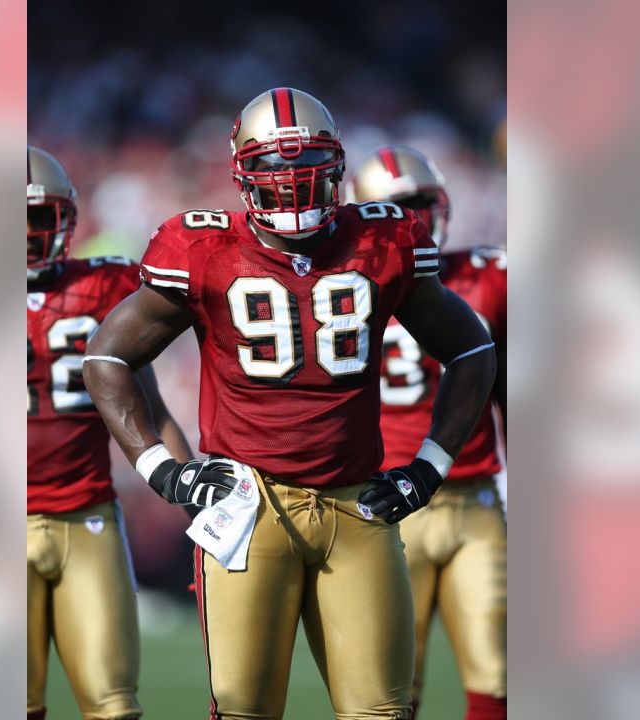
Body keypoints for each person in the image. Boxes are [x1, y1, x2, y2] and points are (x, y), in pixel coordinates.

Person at [82, 88, 496, 720]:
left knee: (383, 711)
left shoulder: (384, 241)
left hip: (357, 504)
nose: (295, 190)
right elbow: (108, 356)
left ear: (336, 170)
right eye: (278, 175)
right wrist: (160, 468)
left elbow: (471, 349)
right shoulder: (202, 248)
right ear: (245, 176)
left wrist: (429, 467)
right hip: (249, 503)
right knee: (245, 708)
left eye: (308, 174)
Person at [26, 145, 192, 720]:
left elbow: (153, 407)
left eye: (38, 217)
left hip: (86, 516)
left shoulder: (104, 286)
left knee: (114, 705)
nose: (26, 234)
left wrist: (196, 502)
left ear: (66, 221)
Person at [351, 145, 508, 720]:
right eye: (400, 209)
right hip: (389, 501)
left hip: (474, 496)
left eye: (422, 205)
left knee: (498, 671)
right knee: (392, 685)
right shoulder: (346, 286)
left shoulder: (491, 277)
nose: (416, 221)